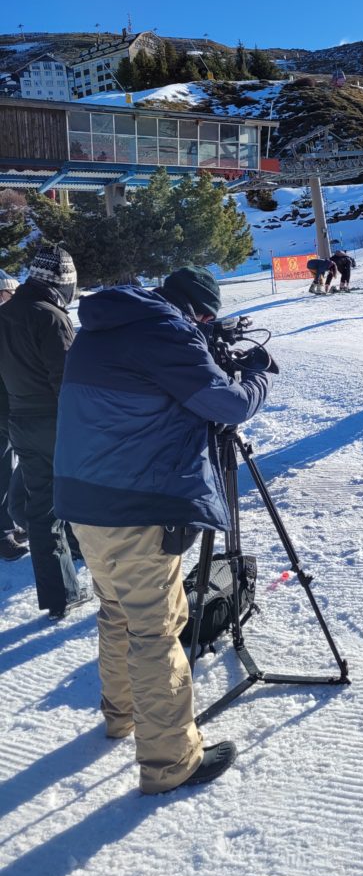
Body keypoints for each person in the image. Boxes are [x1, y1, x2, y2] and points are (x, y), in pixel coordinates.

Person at [53, 266, 276, 794]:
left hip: (84, 501)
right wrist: (257, 374)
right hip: (136, 505)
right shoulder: (166, 333)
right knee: (155, 630)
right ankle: (170, 762)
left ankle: (121, 714)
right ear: (198, 312)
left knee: (115, 610)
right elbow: (227, 405)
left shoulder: (101, 326)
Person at [0, 246, 85, 614]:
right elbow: (68, 381)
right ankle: (71, 584)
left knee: (40, 507)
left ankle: (58, 592)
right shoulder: (51, 317)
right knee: (70, 498)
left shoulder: (5, 314)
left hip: (19, 421)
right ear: (63, 283)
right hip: (55, 423)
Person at [0, 270, 28, 561]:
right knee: (2, 471)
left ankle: (9, 521)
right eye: (11, 294)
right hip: (3, 412)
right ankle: (2, 533)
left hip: (10, 411)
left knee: (8, 469)